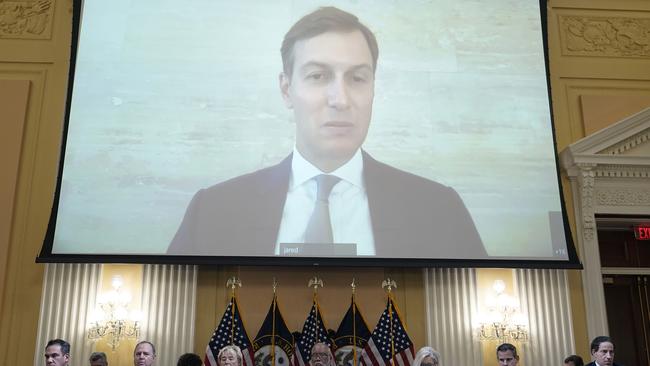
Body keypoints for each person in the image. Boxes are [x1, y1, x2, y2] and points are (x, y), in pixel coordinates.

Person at [167, 6, 485, 259]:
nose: (340, 100)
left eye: (358, 78)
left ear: (374, 87)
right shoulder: (213, 210)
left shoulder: (439, 209)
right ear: (286, 89)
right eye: (318, 76)